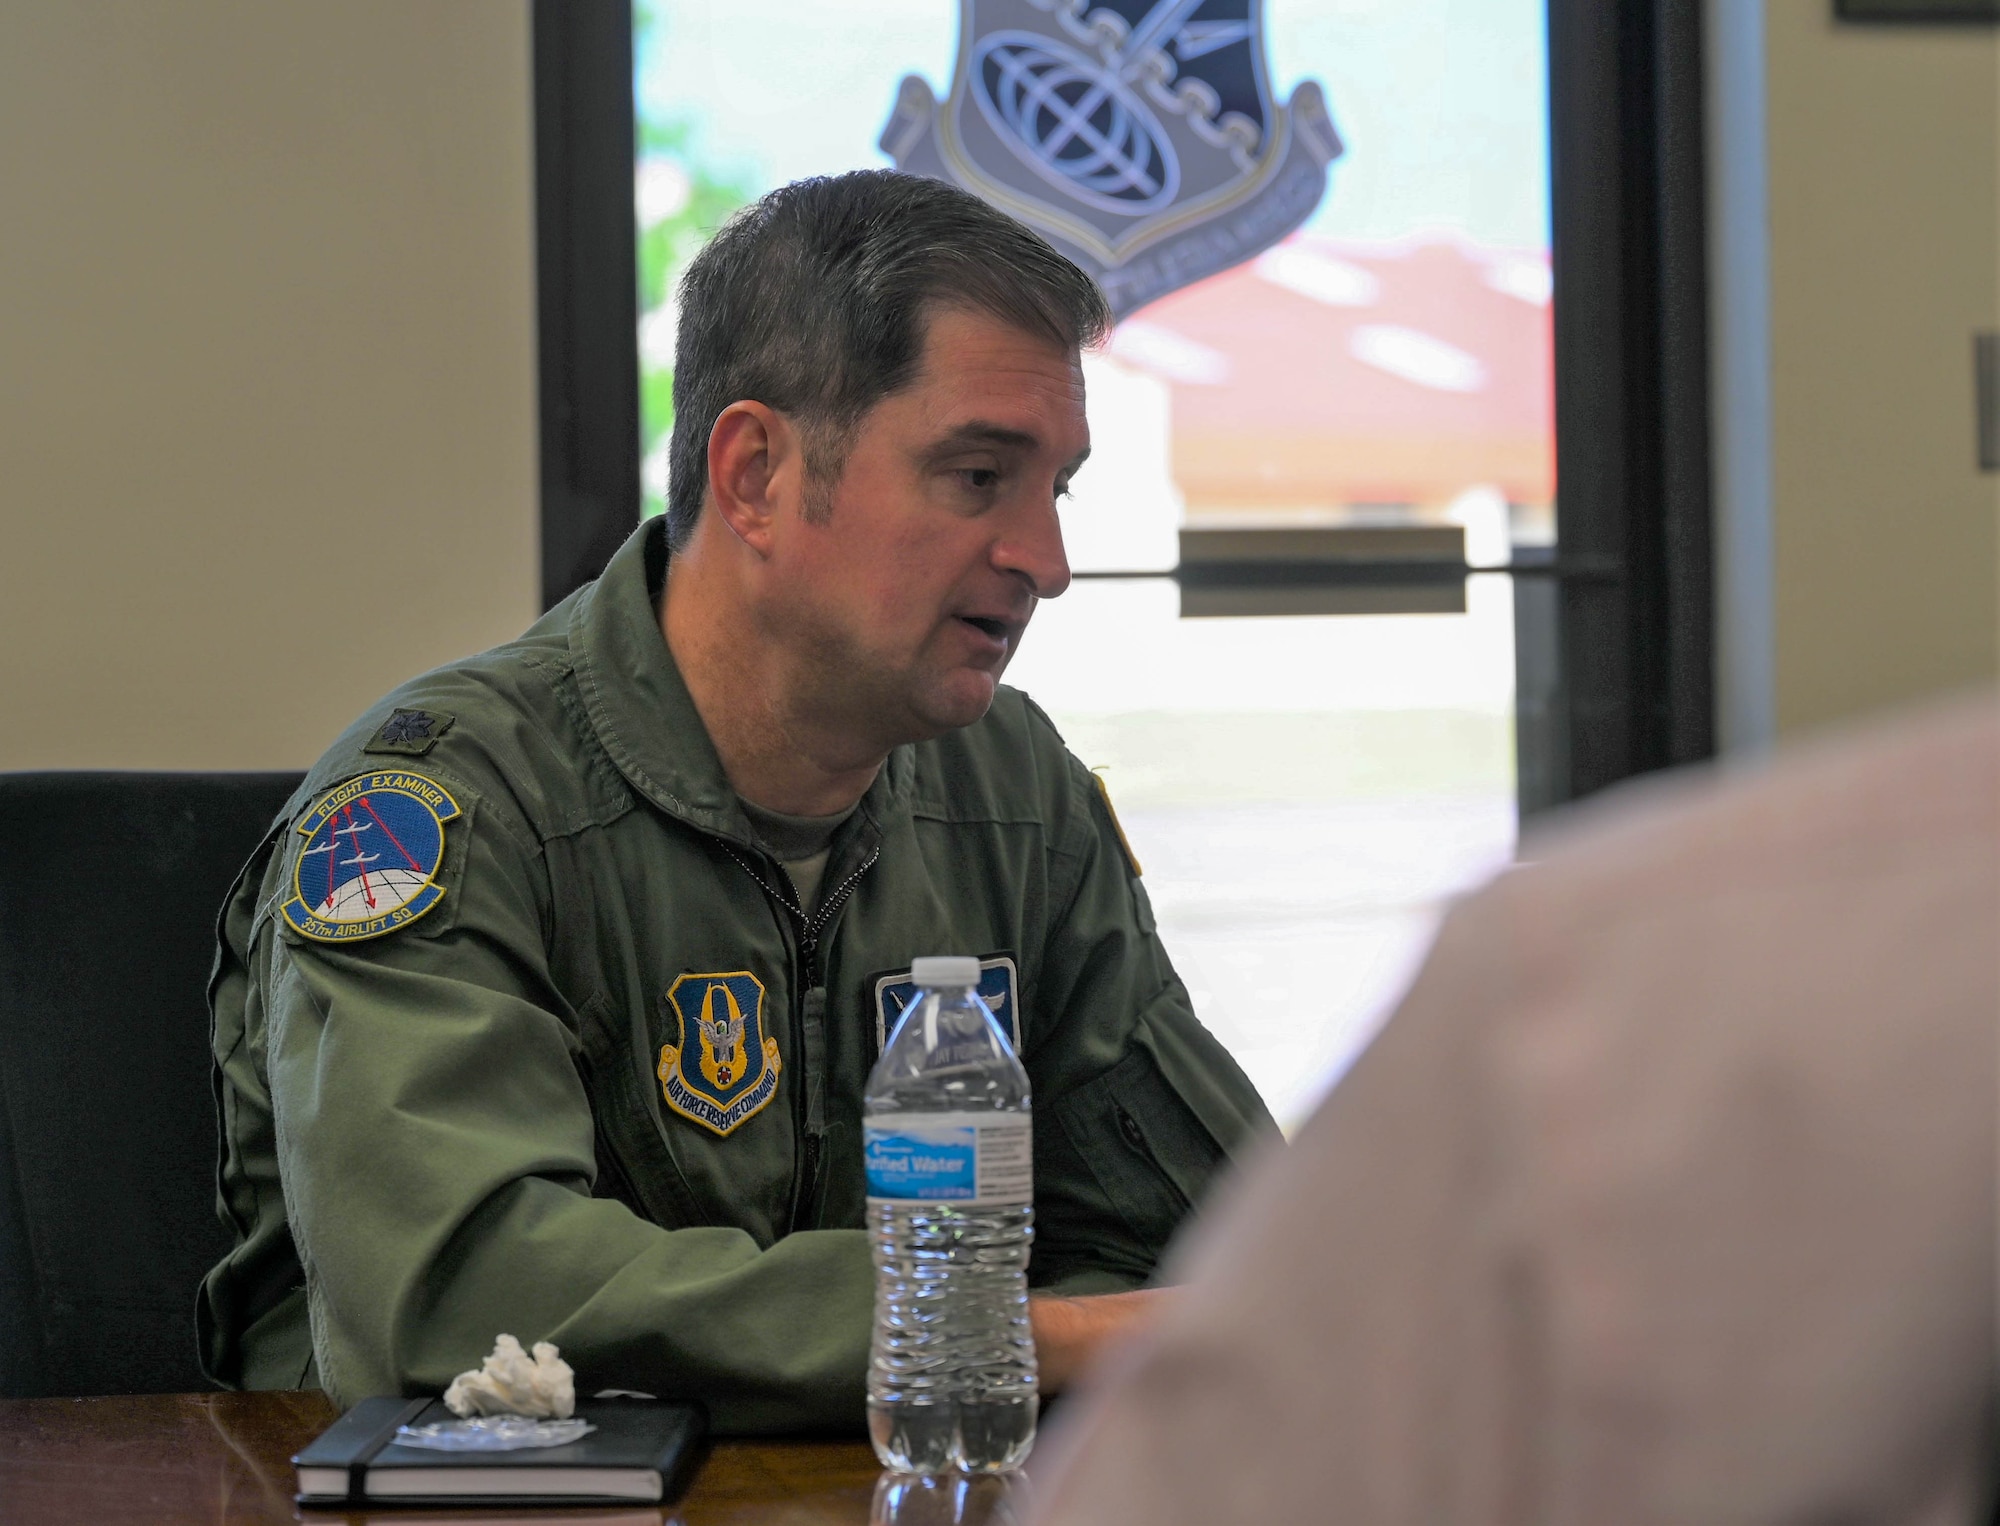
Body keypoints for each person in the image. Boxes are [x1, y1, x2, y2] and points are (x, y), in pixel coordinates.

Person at [198, 171, 1274, 1431]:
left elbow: (1223, 1249)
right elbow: (457, 1294)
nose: (1045, 558)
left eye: (1058, 488)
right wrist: (1000, 1331)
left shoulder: (1013, 788)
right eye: (979, 476)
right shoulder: (433, 807)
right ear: (755, 472)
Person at [1030, 694, 1997, 1525]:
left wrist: (1046, 1333)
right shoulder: (1610, 983)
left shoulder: (1609, 983)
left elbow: (1200, 1255)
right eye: (978, 474)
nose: (1049, 564)